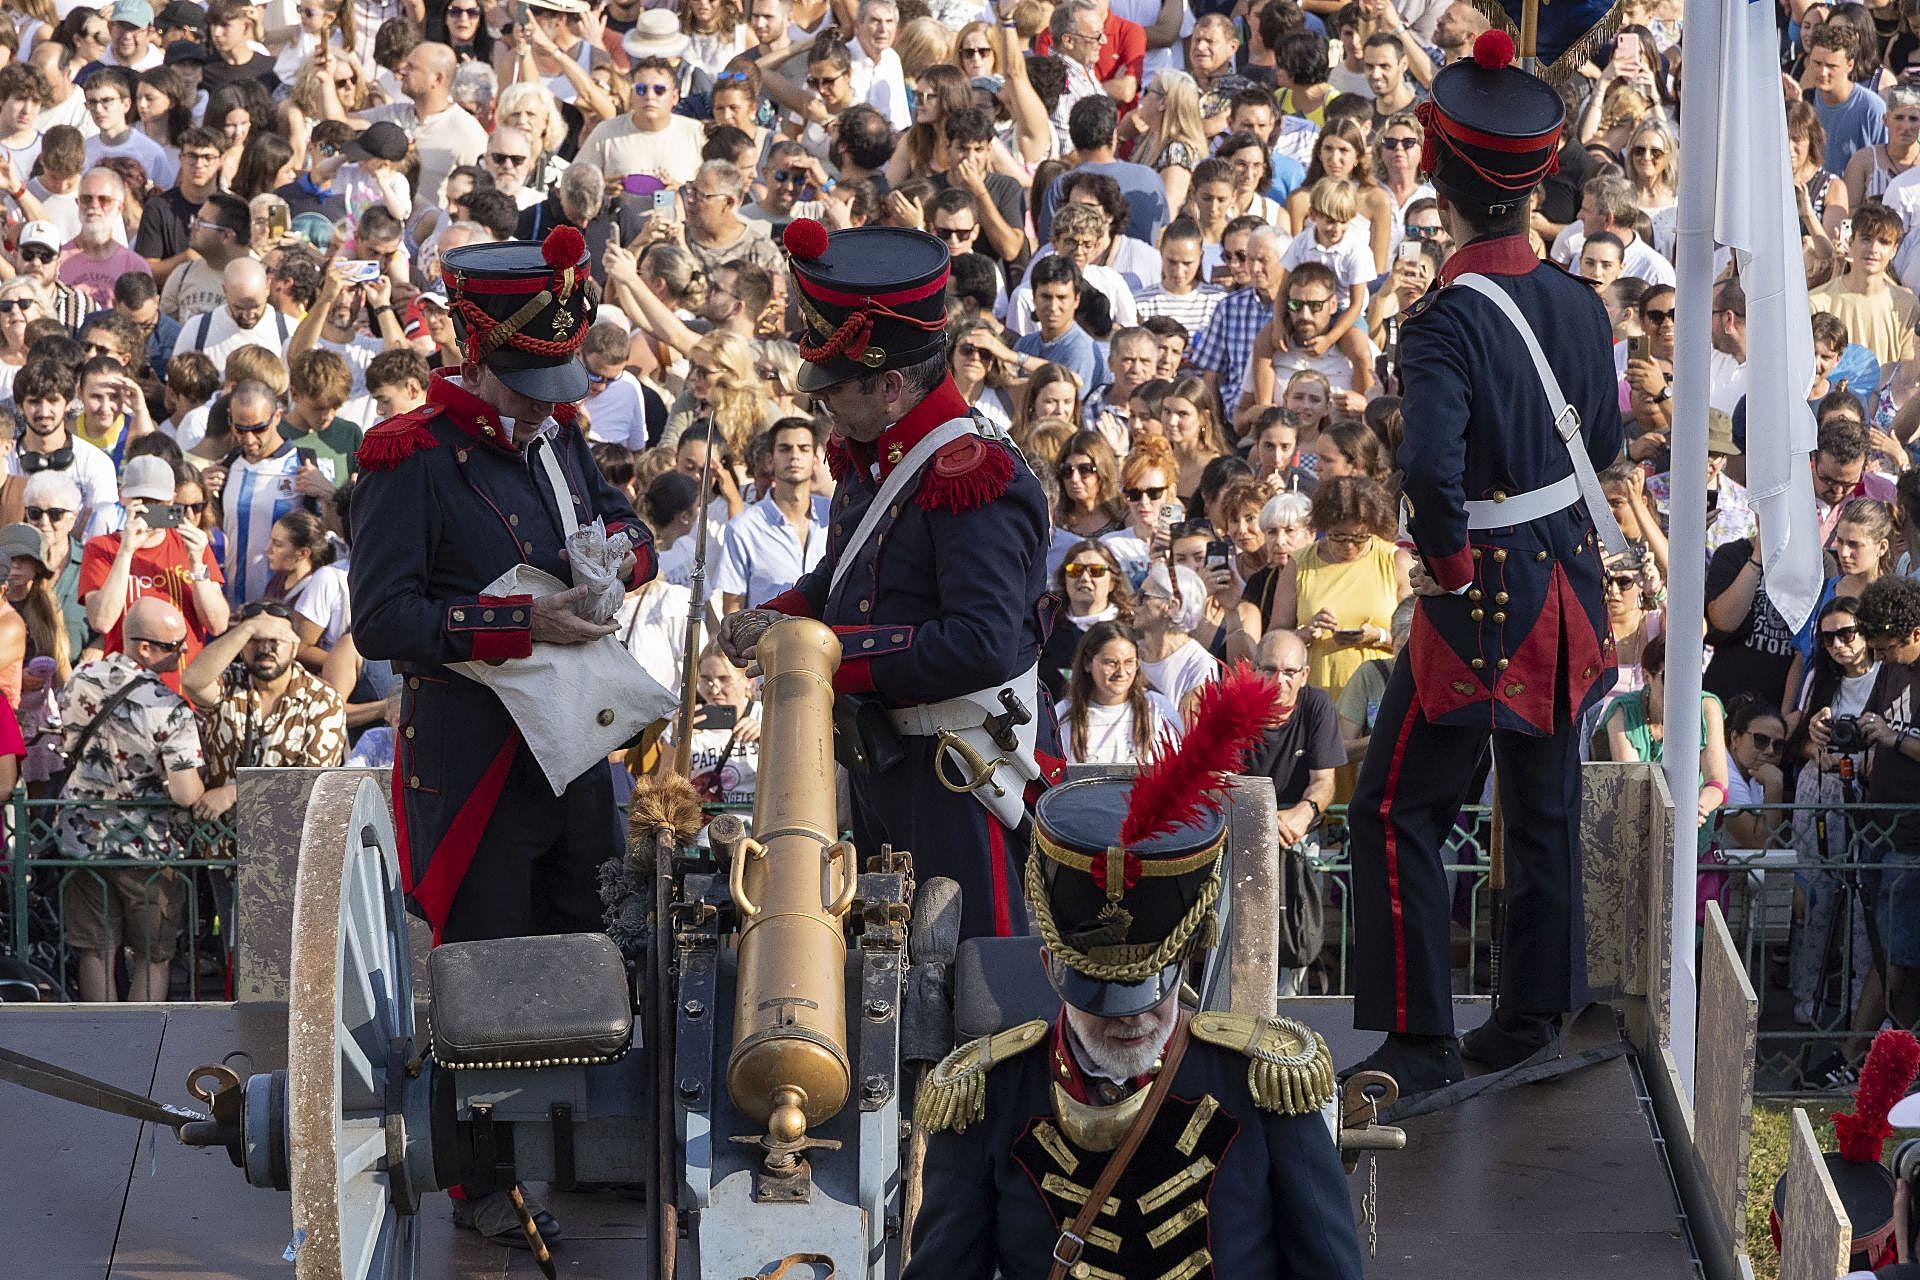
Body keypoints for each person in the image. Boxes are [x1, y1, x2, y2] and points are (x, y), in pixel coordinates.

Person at [349, 228, 654, 1245]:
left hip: (572, 744)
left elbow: (623, 520)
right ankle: (488, 1176)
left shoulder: (559, 435)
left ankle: (586, 1144)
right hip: (476, 752)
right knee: (491, 957)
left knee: (589, 934)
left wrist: (618, 560)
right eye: (525, 384)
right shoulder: (408, 457)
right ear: (474, 354)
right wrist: (520, 621)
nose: (540, 403)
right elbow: (384, 621)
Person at [1345, 37, 1624, 1094]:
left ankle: (1419, 1037)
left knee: (1393, 808)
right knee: (1542, 809)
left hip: (1486, 593)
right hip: (1567, 577)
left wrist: (1451, 573)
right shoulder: (1581, 302)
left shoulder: (1444, 320)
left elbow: (1429, 468)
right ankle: (1533, 1014)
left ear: (1441, 180)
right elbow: (1603, 443)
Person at [904, 667, 1363, 1280]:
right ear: (1051, 966)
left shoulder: (1263, 1085)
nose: (1132, 1019)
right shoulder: (987, 1097)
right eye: (1104, 998)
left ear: (1186, 957)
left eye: (1149, 993)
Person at [719, 218, 1050, 942]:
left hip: (964, 772)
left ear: (892, 385)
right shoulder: (872, 454)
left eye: (836, 389)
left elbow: (980, 643)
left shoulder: (973, 476)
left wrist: (819, 652)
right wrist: (775, 615)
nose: (824, 407)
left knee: (973, 978)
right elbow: (843, 577)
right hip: (888, 764)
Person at [55, 596, 205, 1004]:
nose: (183, 652)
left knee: (95, 951)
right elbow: (185, 792)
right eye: (174, 646)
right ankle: (143, 1039)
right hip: (147, 848)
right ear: (144, 647)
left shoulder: (80, 679)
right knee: (152, 955)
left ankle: (101, 1037)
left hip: (83, 839)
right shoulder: (168, 706)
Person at [1810, 575, 1920, 1032]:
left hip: (1911, 835)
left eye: (1889, 649)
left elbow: (1890, 735)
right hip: (1878, 824)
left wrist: (1895, 740)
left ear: (1915, 632)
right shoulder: (1892, 668)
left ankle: (1858, 1050)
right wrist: (1828, 730)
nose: (1884, 658)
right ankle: (1885, 1049)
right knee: (1888, 948)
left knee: (1894, 952)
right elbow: (1869, 727)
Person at [715, 417, 830, 613]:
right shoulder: (744, 528)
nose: (794, 456)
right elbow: (733, 606)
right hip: (767, 631)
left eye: (803, 449)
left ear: (815, 460)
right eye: (785, 449)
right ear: (770, 459)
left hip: (830, 632)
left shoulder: (835, 514)